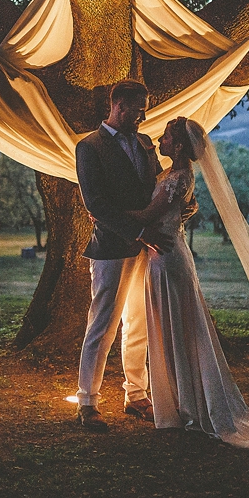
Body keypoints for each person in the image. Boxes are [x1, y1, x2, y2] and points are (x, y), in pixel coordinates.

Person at [126, 117, 249, 449]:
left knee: (177, 332)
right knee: (170, 331)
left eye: (165, 138)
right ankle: (182, 400)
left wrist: (104, 211)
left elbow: (147, 215)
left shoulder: (178, 178)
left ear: (178, 146)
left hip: (167, 260)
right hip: (161, 257)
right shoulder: (170, 176)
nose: (161, 141)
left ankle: (190, 405)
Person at [73, 79, 173, 432]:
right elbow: (95, 204)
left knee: (140, 323)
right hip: (112, 249)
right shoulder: (89, 147)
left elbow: (157, 187)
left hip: (149, 248)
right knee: (102, 325)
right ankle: (87, 401)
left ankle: (136, 394)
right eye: (139, 109)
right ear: (120, 107)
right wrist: (141, 231)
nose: (144, 116)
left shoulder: (145, 143)